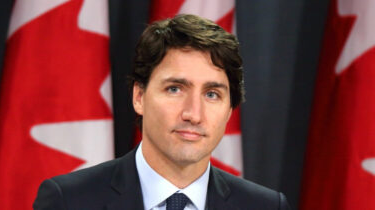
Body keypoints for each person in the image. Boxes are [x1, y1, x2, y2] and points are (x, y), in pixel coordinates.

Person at [33, 14, 290, 210]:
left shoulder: (266, 206)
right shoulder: (69, 201)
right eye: (175, 89)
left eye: (212, 94)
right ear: (139, 97)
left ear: (229, 110)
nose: (193, 114)